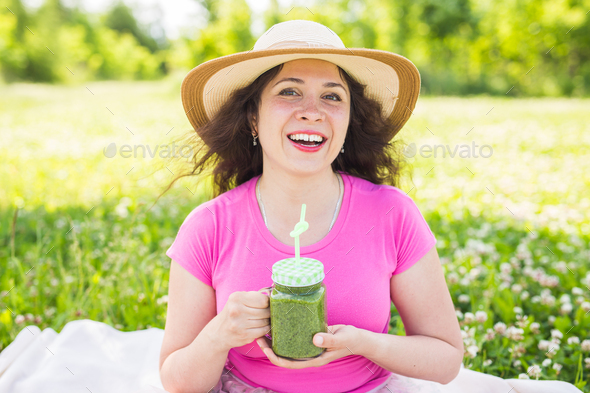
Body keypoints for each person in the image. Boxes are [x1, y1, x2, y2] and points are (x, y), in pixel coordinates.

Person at [158, 19, 463, 393]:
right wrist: (219, 335)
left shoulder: (392, 214)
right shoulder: (208, 226)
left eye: (332, 96)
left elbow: (446, 360)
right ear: (253, 117)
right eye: (289, 92)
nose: (312, 111)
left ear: (349, 121)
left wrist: (362, 343)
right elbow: (176, 381)